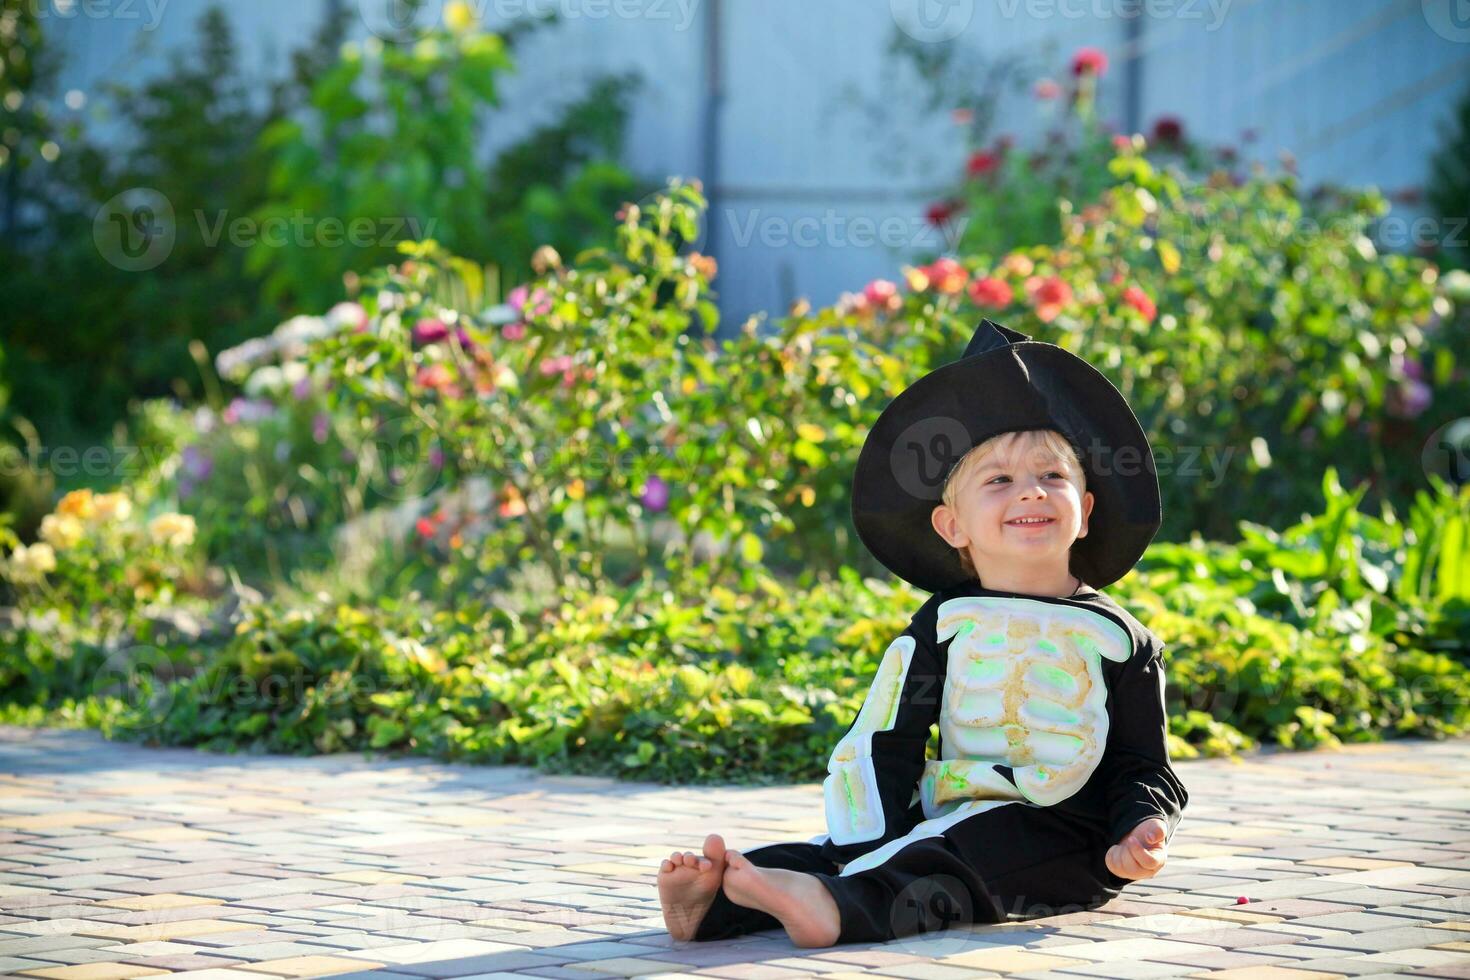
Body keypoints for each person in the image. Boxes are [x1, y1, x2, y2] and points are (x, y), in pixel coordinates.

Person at [655, 318, 1190, 947]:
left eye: (1054, 476)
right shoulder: (944, 625)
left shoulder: (1120, 639)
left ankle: (835, 913)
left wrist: (1140, 827)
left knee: (958, 860)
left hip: (1069, 836)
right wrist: (880, 826)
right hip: (954, 807)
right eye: (999, 481)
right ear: (952, 525)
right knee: (855, 849)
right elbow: (891, 732)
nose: (1032, 493)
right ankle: (717, 906)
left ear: (1086, 510)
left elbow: (1143, 761)